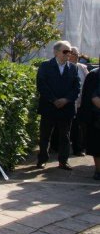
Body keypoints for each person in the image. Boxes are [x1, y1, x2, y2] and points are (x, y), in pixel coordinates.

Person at [35, 41, 80, 170]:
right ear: (56, 52)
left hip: (66, 108)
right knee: (45, 135)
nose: (68, 54)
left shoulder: (73, 67)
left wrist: (66, 100)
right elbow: (41, 85)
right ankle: (42, 159)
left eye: (70, 52)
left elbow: (76, 87)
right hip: (49, 106)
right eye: (65, 51)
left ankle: (63, 161)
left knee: (65, 136)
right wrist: (54, 100)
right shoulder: (45, 66)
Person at [78, 59, 99, 179]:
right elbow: (91, 97)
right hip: (96, 118)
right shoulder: (94, 75)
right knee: (97, 147)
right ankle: (98, 171)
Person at [68, 46, 89, 155]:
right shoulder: (65, 67)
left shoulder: (82, 68)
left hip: (80, 103)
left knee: (79, 127)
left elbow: (87, 84)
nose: (75, 57)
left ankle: (78, 148)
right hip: (68, 103)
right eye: (73, 54)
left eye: (77, 55)